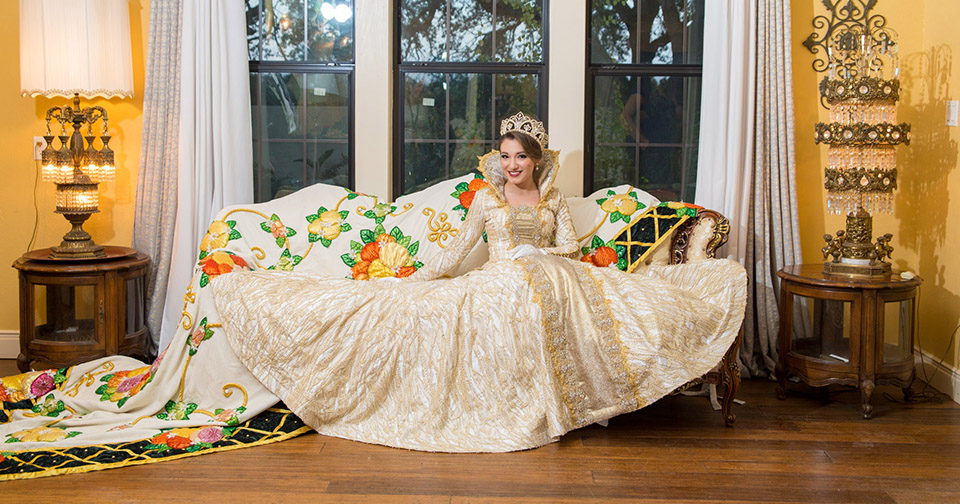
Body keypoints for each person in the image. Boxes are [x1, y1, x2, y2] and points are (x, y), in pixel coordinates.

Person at [0, 112, 745, 458]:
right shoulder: (483, 203)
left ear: (539, 164)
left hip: (553, 277)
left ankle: (560, 397)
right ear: (497, 162)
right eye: (506, 157)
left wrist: (572, 264)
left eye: (523, 158)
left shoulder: (550, 206)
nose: (513, 167)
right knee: (483, 302)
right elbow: (458, 258)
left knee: (553, 293)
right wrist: (413, 282)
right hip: (500, 281)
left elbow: (577, 249)